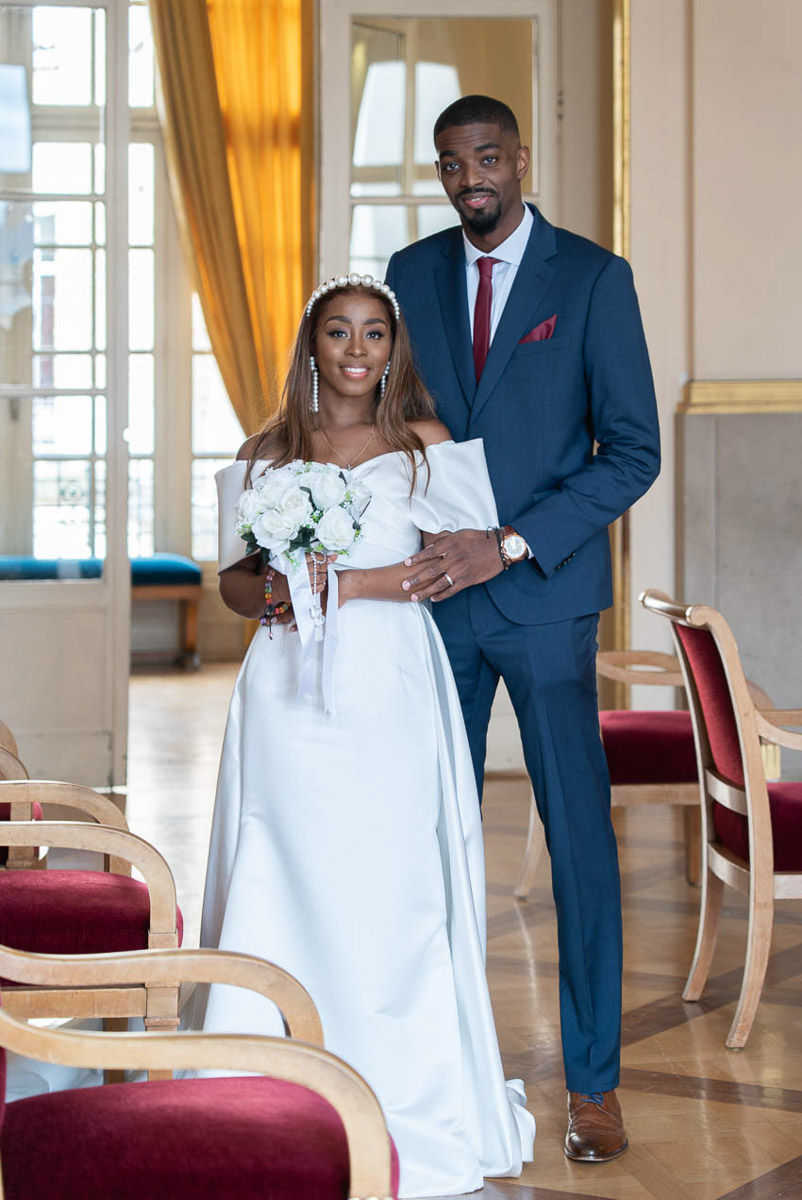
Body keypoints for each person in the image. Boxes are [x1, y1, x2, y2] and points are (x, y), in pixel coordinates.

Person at [199, 274, 535, 1198]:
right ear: (312, 346)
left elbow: (455, 565)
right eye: (339, 332)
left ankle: (404, 1088)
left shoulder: (426, 446)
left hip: (388, 678)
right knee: (284, 855)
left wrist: (342, 587)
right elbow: (234, 582)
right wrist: (280, 593)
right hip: (284, 689)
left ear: (395, 349)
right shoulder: (265, 451)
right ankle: (258, 1077)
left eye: (375, 334)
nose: (356, 349)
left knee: (388, 872)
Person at [385, 95, 661, 1163]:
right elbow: (381, 417)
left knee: (579, 845)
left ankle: (592, 1085)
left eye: (487, 158)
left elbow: (631, 452)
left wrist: (502, 542)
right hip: (434, 606)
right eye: (452, 165)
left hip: (542, 603)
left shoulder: (593, 280)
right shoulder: (409, 276)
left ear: (521, 160)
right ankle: (435, 1062)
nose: (470, 180)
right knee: (428, 835)